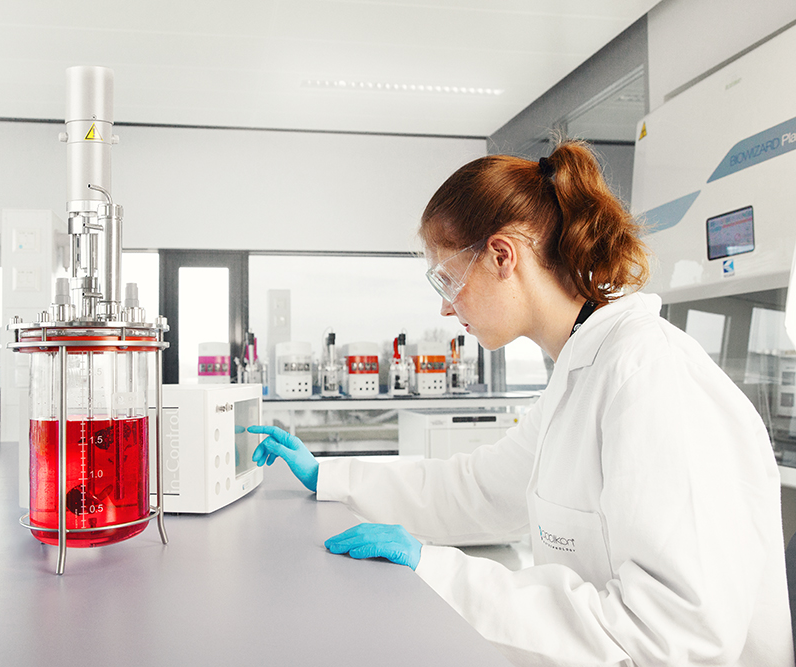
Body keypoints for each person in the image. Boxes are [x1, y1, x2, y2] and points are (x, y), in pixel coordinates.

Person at [247, 140, 794, 666]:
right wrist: (330, 476)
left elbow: (675, 636)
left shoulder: (650, 374)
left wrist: (437, 572)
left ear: (502, 255)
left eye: (447, 279)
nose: (445, 309)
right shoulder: (579, 377)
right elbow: (478, 489)